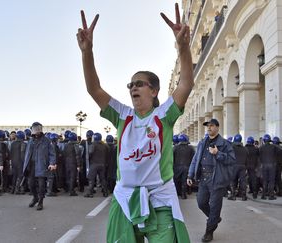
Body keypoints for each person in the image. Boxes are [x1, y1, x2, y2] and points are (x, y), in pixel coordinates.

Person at [77, 3, 193, 242]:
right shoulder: (122, 115)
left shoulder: (164, 115)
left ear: (154, 90)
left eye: (138, 84)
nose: (132, 88)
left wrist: (183, 47)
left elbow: (185, 85)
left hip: (160, 200)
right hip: (125, 200)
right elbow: (94, 88)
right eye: (130, 85)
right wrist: (86, 52)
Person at [187, 119, 235, 242]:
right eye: (208, 126)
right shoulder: (202, 143)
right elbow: (195, 159)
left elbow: (231, 160)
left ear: (217, 128)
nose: (209, 128)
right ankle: (214, 218)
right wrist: (190, 175)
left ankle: (209, 232)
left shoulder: (225, 144)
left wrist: (218, 153)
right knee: (201, 202)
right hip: (203, 178)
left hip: (217, 179)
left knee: (214, 207)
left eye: (212, 126)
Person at [84, 132, 109, 198]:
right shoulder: (105, 145)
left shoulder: (93, 144)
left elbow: (90, 153)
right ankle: (105, 192)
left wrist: (88, 159)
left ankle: (90, 193)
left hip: (94, 164)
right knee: (102, 179)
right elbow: (107, 155)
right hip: (102, 164)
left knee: (91, 179)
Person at [173, 134, 195, 199]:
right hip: (187, 167)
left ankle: (177, 193)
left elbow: (172, 158)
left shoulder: (175, 148)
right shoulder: (190, 148)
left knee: (176, 181)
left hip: (177, 167)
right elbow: (194, 158)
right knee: (184, 181)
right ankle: (183, 195)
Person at [228, 134, 248, 201]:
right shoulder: (245, 148)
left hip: (234, 166)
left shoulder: (231, 147)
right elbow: (247, 158)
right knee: (243, 181)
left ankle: (233, 195)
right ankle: (244, 196)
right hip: (243, 166)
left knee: (233, 180)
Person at [63, 132, 82, 196]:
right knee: (72, 177)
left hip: (67, 163)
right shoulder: (76, 146)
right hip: (73, 163)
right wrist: (79, 165)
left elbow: (64, 155)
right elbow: (77, 156)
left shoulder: (66, 145)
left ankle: (68, 189)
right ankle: (72, 191)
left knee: (68, 177)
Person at [259, 134, 277, 200]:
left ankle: (263, 195)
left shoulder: (261, 147)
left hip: (264, 165)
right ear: (269, 140)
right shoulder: (273, 147)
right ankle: (271, 195)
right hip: (272, 165)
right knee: (271, 181)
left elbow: (259, 157)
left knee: (265, 181)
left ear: (264, 140)